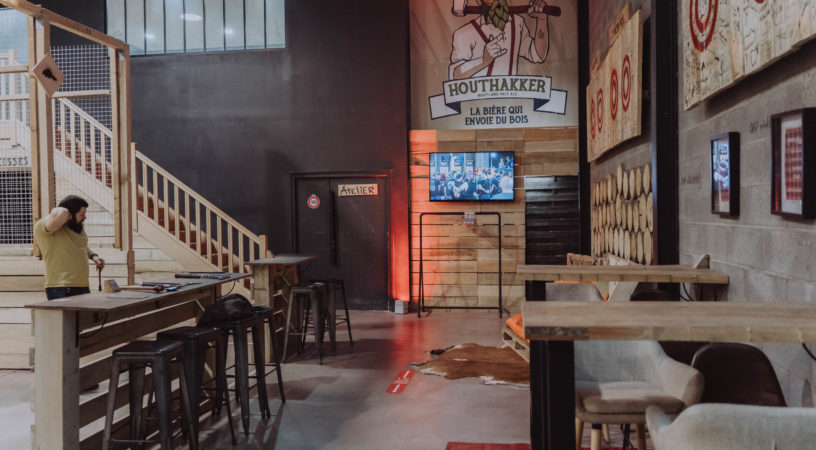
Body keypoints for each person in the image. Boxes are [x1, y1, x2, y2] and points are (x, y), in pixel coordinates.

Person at [449, 0, 553, 80]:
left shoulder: (517, 23)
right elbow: (455, 75)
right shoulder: (463, 34)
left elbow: (537, 55)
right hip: (476, 100)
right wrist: (483, 61)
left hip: (509, 99)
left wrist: (542, 20)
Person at [33, 195, 105, 300]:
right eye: (82, 214)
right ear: (69, 215)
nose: (85, 218)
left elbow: (81, 245)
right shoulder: (44, 226)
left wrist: (93, 256)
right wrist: (66, 211)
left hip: (82, 285)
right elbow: (62, 212)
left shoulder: (76, 227)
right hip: (62, 287)